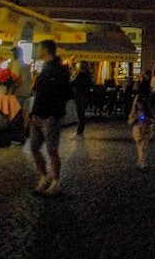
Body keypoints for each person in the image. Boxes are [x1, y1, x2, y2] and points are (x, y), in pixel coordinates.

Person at [29, 39, 73, 196]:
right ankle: (44, 177)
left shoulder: (59, 70)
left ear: (45, 50)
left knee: (52, 149)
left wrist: (56, 110)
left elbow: (65, 93)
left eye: (40, 49)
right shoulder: (46, 68)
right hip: (39, 112)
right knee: (34, 147)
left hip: (50, 114)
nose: (38, 52)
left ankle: (55, 182)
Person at [127, 84, 155, 170]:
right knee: (139, 146)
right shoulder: (135, 111)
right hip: (137, 130)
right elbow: (130, 120)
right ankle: (141, 160)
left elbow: (153, 120)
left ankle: (142, 161)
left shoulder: (148, 111)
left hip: (146, 129)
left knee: (143, 146)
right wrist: (134, 119)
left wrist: (147, 119)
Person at [70, 61, 94, 139]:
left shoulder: (80, 75)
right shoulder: (88, 76)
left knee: (80, 114)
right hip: (85, 96)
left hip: (79, 96)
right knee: (81, 114)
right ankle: (80, 132)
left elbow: (72, 83)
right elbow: (90, 86)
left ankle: (79, 133)